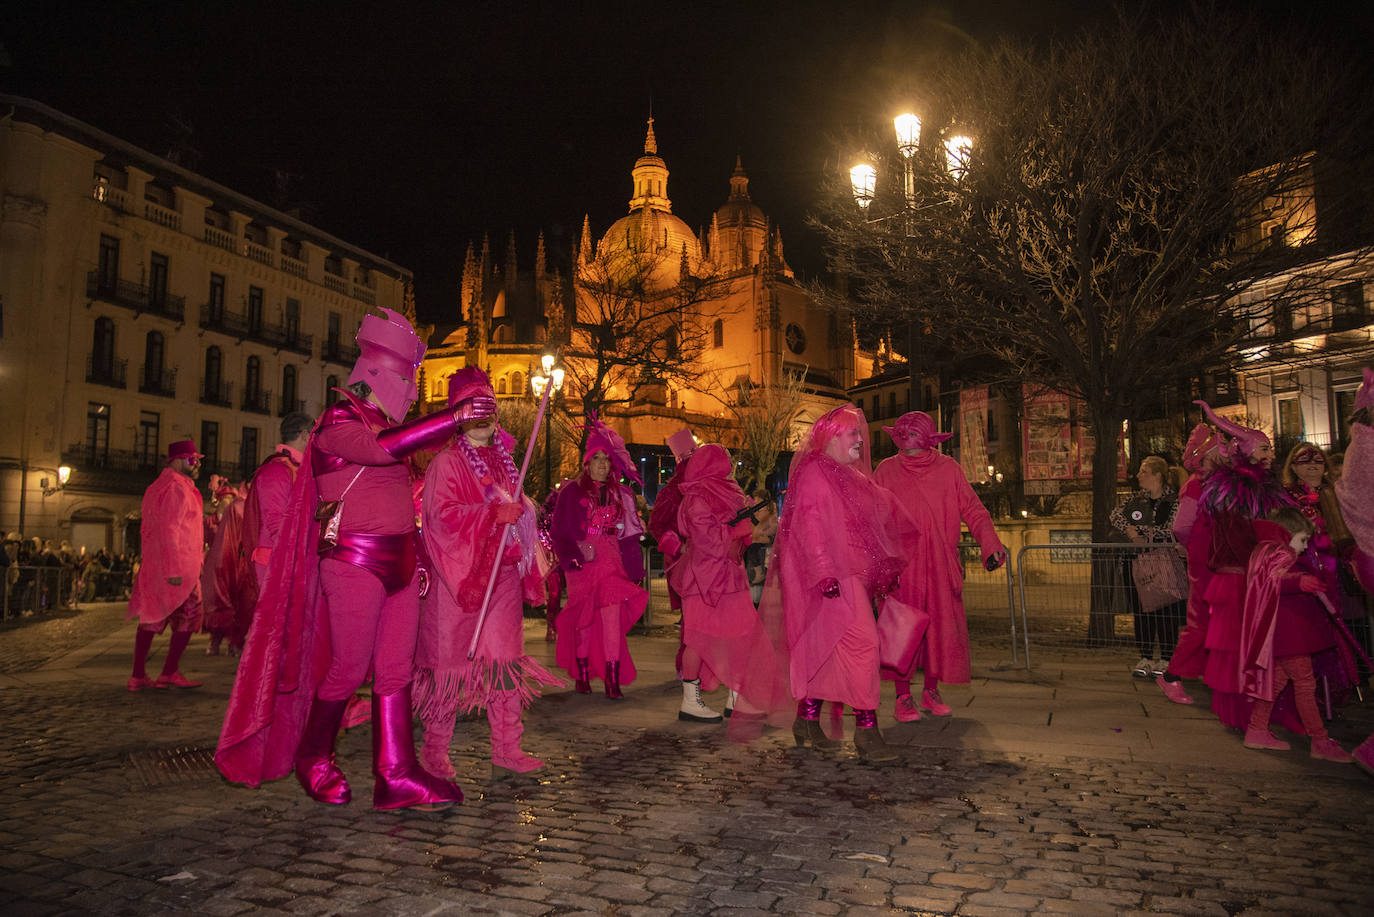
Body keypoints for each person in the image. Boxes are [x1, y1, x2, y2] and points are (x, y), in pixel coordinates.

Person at [216, 308, 465, 812]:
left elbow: (400, 480)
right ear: (378, 376)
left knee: (395, 673)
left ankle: (395, 775)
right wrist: (453, 417)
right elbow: (380, 450)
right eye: (407, 379)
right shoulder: (337, 422)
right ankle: (314, 758)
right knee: (348, 670)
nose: (413, 391)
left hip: (398, 564)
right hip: (352, 565)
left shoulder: (380, 426)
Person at [413, 368, 559, 780]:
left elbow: (518, 515)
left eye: (489, 412)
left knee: (504, 664)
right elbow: (440, 518)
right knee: (448, 666)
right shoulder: (446, 463)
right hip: (457, 582)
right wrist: (492, 514)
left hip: (504, 579)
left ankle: (507, 747)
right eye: (475, 412)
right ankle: (435, 751)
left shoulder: (506, 464)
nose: (484, 420)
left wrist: (523, 512)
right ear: (458, 417)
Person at [764, 404, 908, 762]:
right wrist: (824, 572)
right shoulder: (815, 472)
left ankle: (807, 720)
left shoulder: (849, 476)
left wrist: (882, 567)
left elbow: (869, 527)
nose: (861, 439)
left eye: (860, 432)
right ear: (831, 438)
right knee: (865, 644)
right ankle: (866, 730)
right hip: (832, 578)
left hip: (849, 575)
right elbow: (809, 526)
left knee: (825, 647)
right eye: (853, 433)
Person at [874, 411, 1007, 721]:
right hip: (902, 568)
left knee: (939, 629)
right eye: (904, 446)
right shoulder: (885, 471)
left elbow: (974, 510)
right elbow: (871, 516)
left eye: (914, 446)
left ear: (930, 443)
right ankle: (902, 695)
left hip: (939, 564)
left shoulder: (949, 469)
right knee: (901, 631)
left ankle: (931, 690)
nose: (909, 452)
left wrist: (991, 545)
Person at [1190, 401, 1294, 729]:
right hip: (1240, 580)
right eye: (1263, 448)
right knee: (1239, 648)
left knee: (1255, 647)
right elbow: (1239, 537)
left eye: (1269, 448)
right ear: (1247, 452)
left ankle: (1260, 714)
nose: (1269, 454)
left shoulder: (1255, 487)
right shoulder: (1234, 490)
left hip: (1253, 578)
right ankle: (1245, 715)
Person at [1238, 506, 1353, 762]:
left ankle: (1257, 730)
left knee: (1278, 681)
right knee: (1304, 683)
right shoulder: (1278, 554)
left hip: (1284, 634)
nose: (1303, 547)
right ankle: (1319, 739)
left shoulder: (1270, 552)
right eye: (1301, 540)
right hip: (1289, 634)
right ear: (1285, 533)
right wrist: (1297, 582)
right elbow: (1272, 580)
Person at [549, 416, 649, 699]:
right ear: (587, 462)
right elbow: (559, 531)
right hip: (582, 566)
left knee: (612, 620)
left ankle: (612, 680)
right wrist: (572, 557)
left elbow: (630, 535)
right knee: (585, 620)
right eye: (597, 458)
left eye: (607, 458)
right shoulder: (571, 492)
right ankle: (582, 674)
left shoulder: (623, 494)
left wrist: (634, 571)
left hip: (611, 563)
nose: (602, 464)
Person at [667, 443, 760, 723]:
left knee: (740, 635)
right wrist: (736, 532)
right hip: (702, 578)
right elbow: (706, 539)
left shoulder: (729, 491)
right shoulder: (697, 496)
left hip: (729, 576)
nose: (729, 462)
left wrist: (741, 533)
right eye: (724, 458)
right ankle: (690, 701)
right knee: (697, 638)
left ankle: (736, 693)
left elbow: (734, 535)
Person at [126, 440, 206, 692]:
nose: (197, 465)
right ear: (177, 460)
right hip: (177, 566)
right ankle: (167, 671)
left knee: (152, 617)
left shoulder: (161, 486)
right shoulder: (176, 488)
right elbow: (171, 529)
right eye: (193, 460)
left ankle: (139, 675)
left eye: (198, 461)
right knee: (190, 614)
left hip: (158, 565)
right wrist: (174, 570)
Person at [1157, 423, 1223, 704]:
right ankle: (1171, 675)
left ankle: (1209, 674)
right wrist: (1193, 547)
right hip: (1204, 558)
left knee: (1215, 620)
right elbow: (1182, 525)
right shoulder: (1196, 485)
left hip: (1217, 558)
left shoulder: (1217, 484)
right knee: (1200, 622)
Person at [1110, 455, 1186, 679]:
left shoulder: (1174, 501)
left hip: (1165, 563)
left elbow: (1171, 530)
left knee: (1166, 610)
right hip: (1138, 563)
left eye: (1144, 471)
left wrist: (1142, 532)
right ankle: (1145, 655)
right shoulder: (1135, 500)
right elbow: (1115, 515)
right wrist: (1132, 533)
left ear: (1157, 475)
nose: (1138, 476)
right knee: (1142, 609)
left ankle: (1166, 657)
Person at [242, 411, 314, 600]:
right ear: (305, 435)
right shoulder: (277, 470)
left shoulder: (294, 469)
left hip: (288, 563)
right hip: (277, 565)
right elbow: (276, 524)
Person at [202, 480, 249, 656]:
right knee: (217, 603)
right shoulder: (210, 520)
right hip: (216, 564)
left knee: (236, 603)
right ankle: (215, 640)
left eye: (231, 498)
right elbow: (204, 541)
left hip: (235, 562)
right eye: (226, 498)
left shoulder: (238, 516)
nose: (229, 501)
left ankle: (234, 642)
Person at [744, 492, 778, 606]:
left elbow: (758, 522)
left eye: (756, 497)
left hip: (761, 540)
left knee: (759, 569)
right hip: (756, 539)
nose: (755, 499)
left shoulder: (765, 507)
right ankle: (757, 599)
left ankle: (758, 599)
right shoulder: (763, 507)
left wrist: (751, 510)